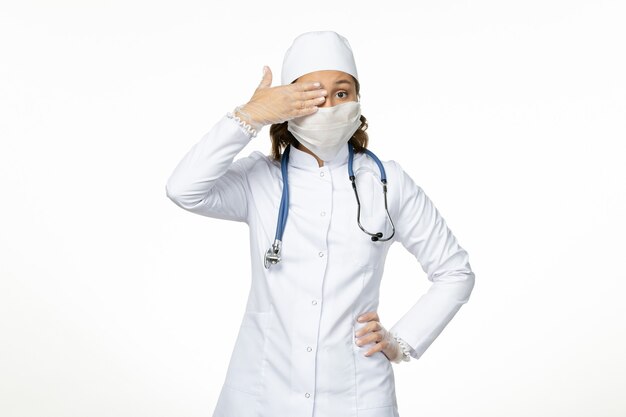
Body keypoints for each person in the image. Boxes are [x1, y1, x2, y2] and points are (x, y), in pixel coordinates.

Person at [165, 30, 475, 417]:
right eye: (312, 95)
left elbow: (455, 272)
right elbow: (183, 189)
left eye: (341, 93)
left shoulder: (388, 181)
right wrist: (249, 116)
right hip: (261, 394)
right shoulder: (258, 179)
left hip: (357, 395)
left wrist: (401, 342)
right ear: (288, 105)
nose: (328, 106)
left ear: (357, 101)